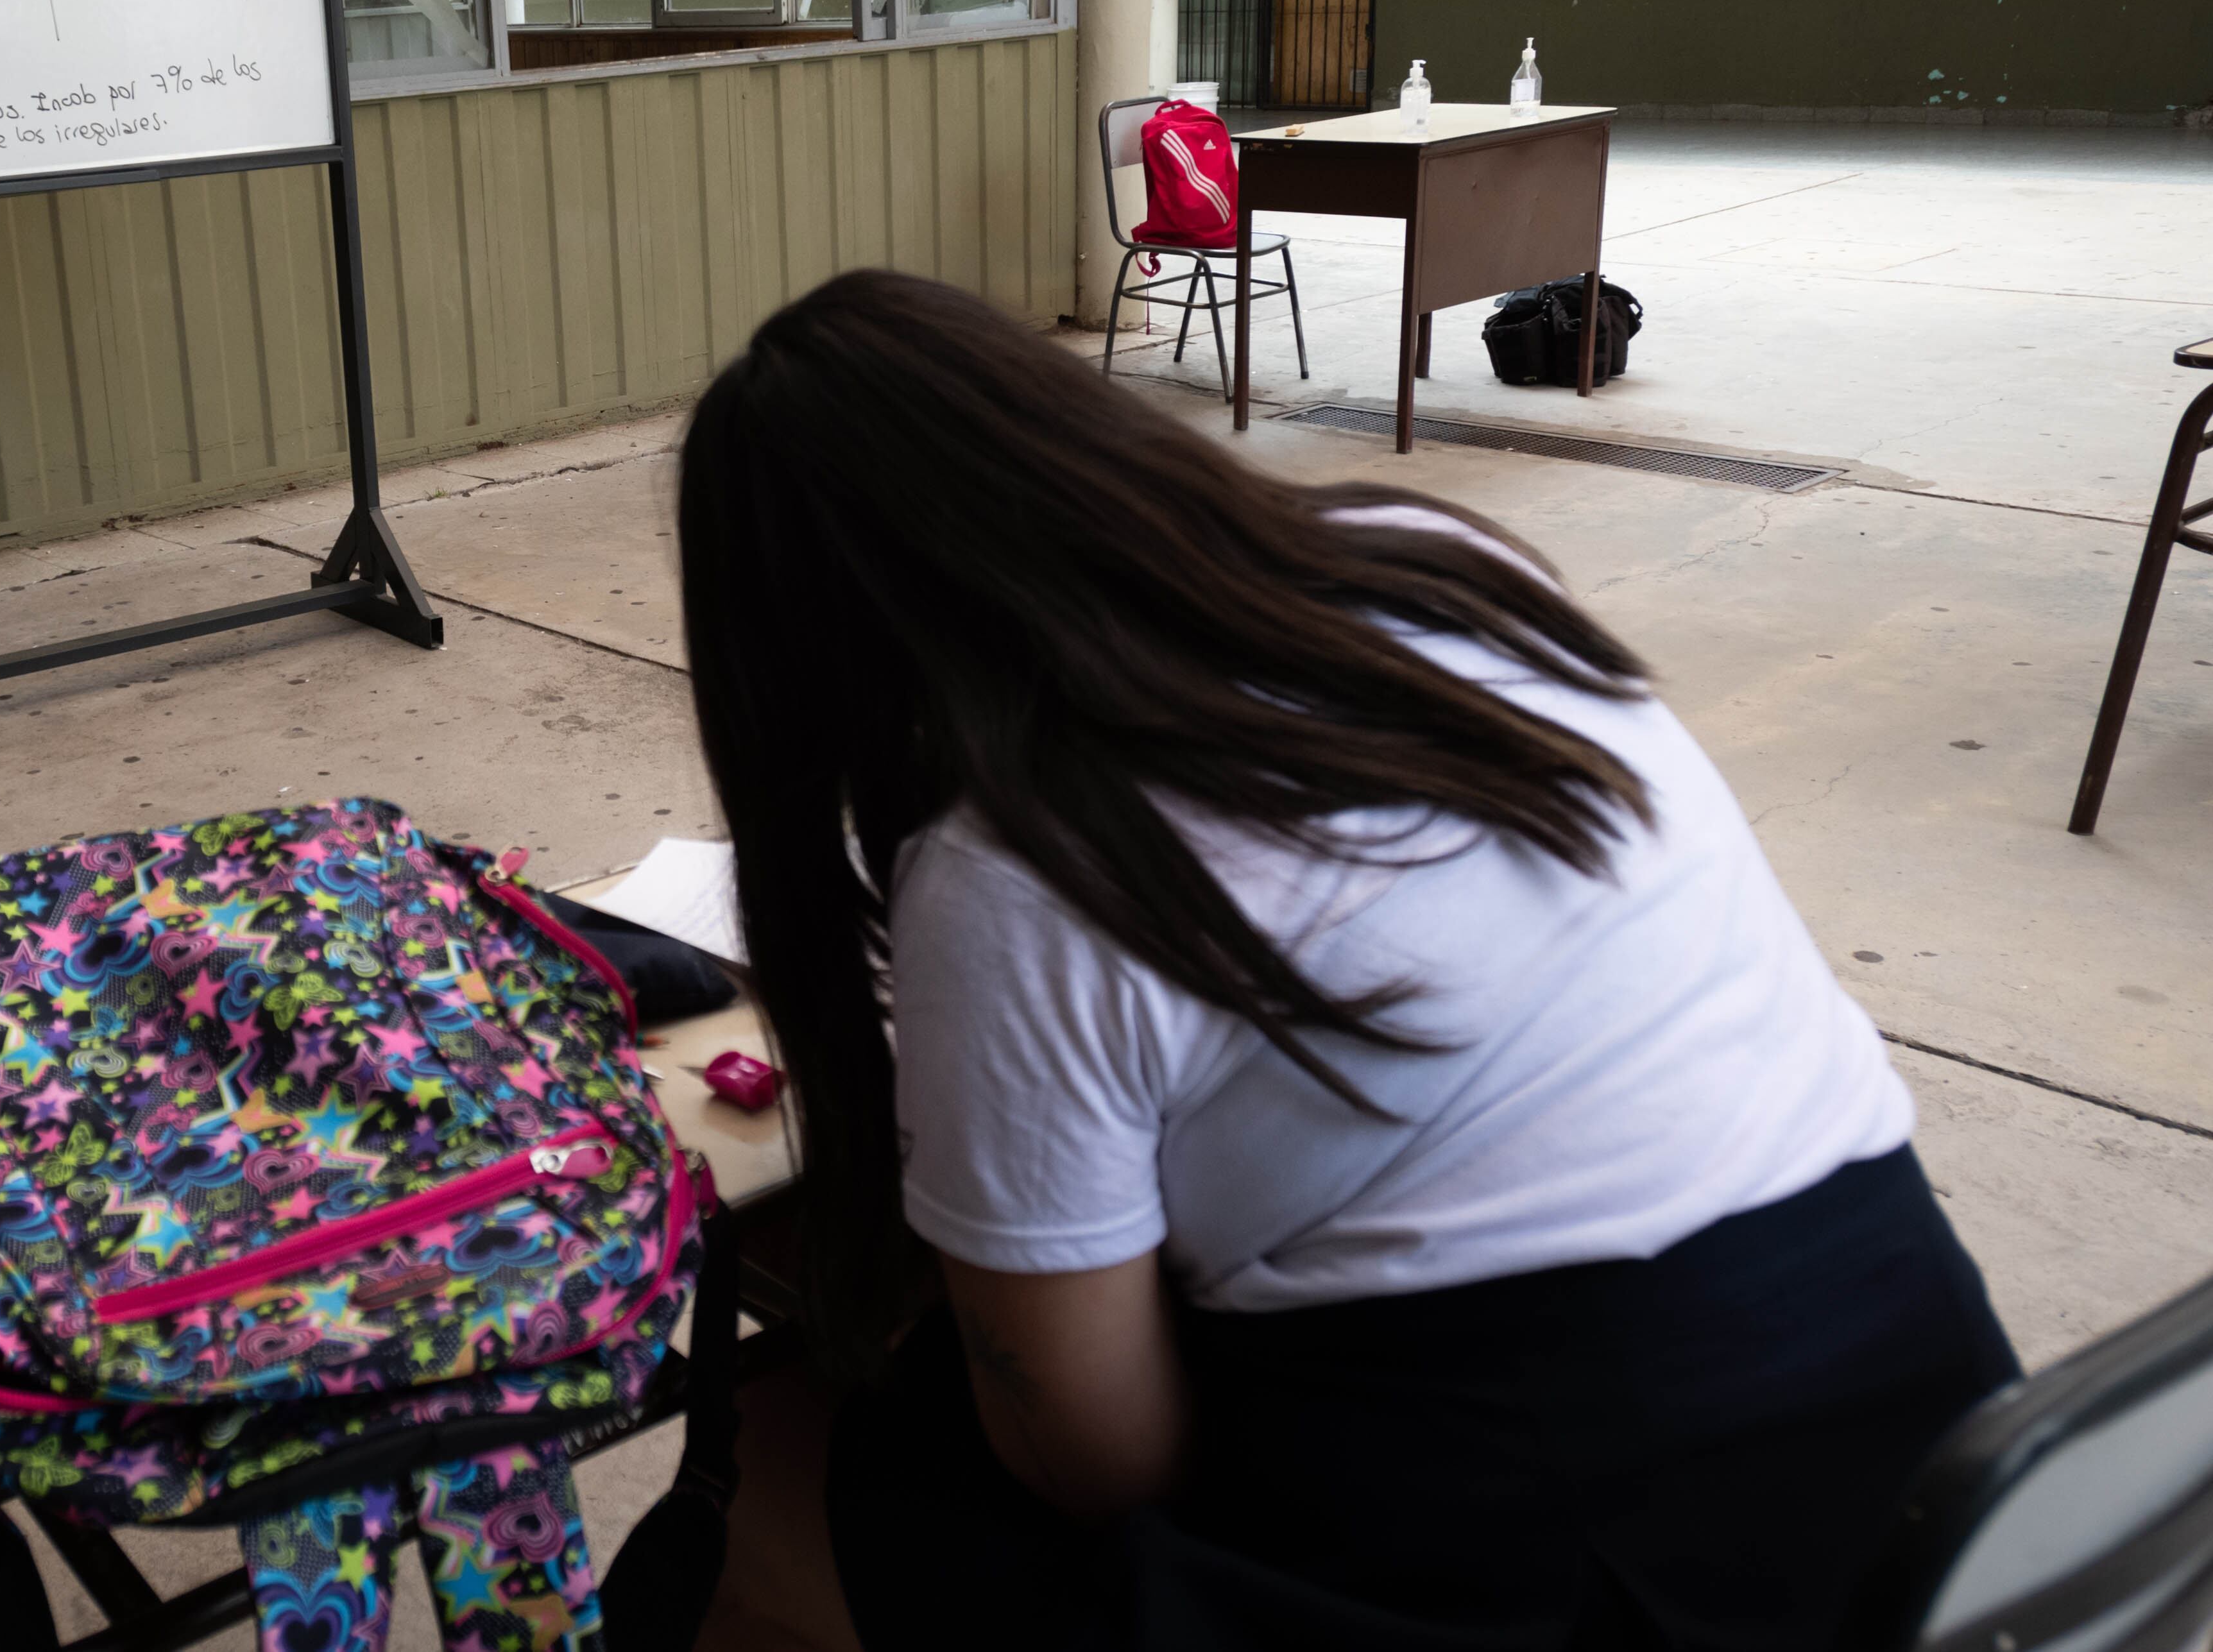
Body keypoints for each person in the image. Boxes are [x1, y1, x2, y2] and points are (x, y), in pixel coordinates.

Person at [672, 270, 2017, 1651]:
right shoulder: (1438, 568)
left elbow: (1091, 1458)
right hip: (1934, 1430)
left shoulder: (1016, 861)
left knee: (783, 1476)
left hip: (1608, 1548)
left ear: (804, 666)